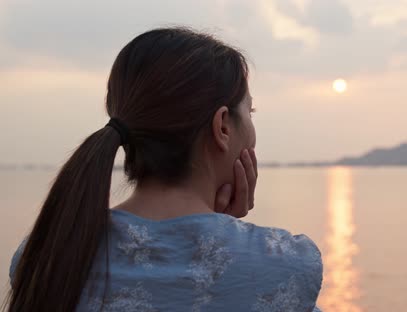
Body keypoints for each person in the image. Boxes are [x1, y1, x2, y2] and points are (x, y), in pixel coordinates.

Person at [6, 27, 323, 312]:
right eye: (250, 110)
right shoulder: (283, 267)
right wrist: (221, 238)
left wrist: (214, 230)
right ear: (223, 126)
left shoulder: (44, 257)